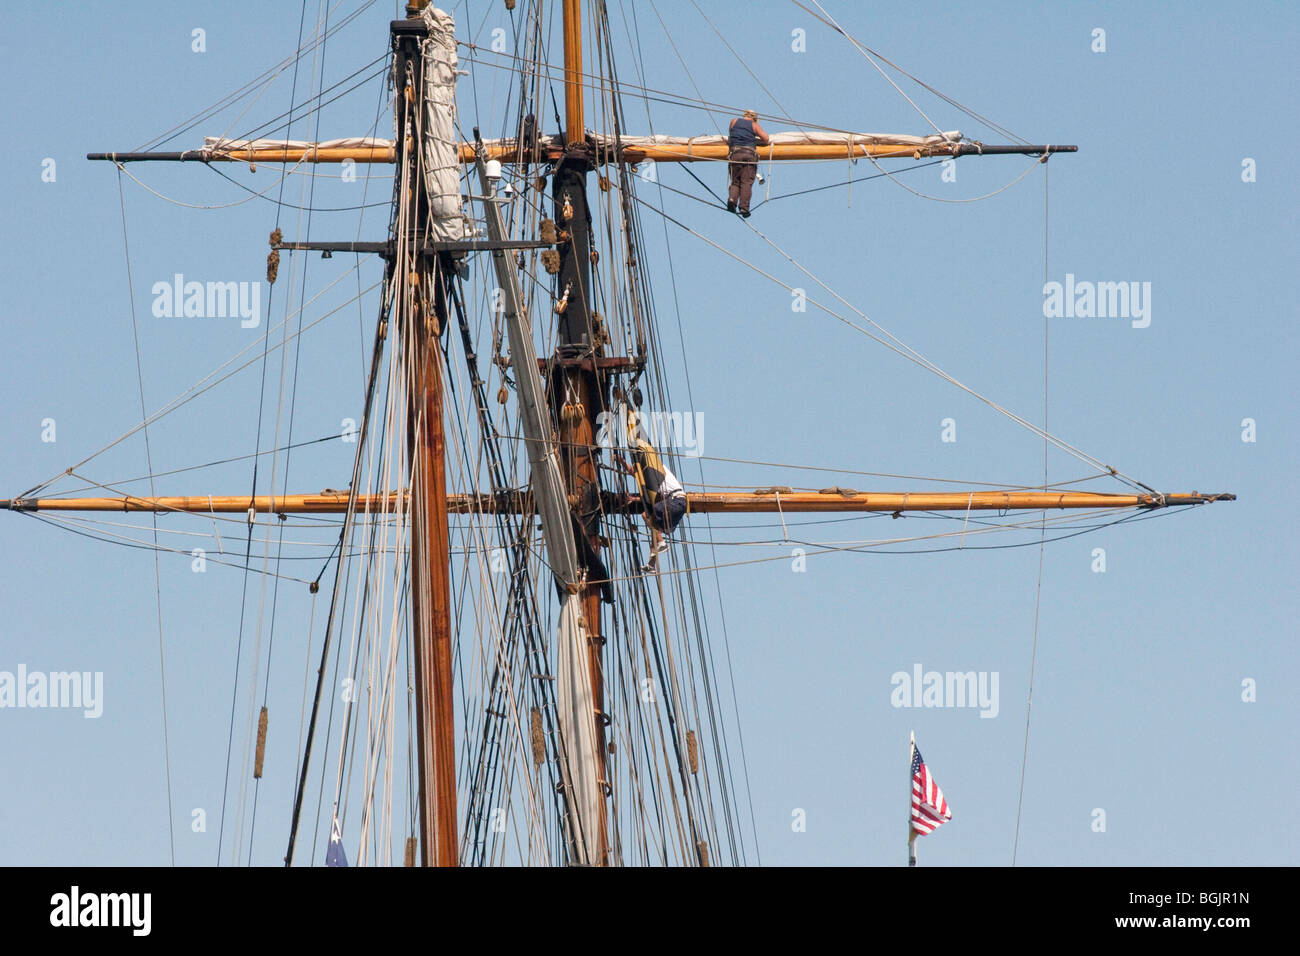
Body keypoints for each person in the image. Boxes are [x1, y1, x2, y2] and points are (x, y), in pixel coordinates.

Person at [614, 420, 688, 572]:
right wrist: (621, 461)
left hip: (677, 501)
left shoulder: (655, 471)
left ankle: (662, 544)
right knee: (654, 527)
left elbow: (636, 474)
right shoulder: (653, 475)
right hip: (677, 504)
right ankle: (652, 564)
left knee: (646, 516)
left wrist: (633, 499)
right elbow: (634, 472)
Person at [726, 109, 770, 217]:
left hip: (735, 153)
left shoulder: (734, 121)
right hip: (749, 154)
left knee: (735, 182)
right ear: (754, 118)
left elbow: (731, 134)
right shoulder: (754, 125)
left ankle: (732, 200)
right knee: (746, 182)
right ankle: (744, 208)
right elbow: (766, 139)